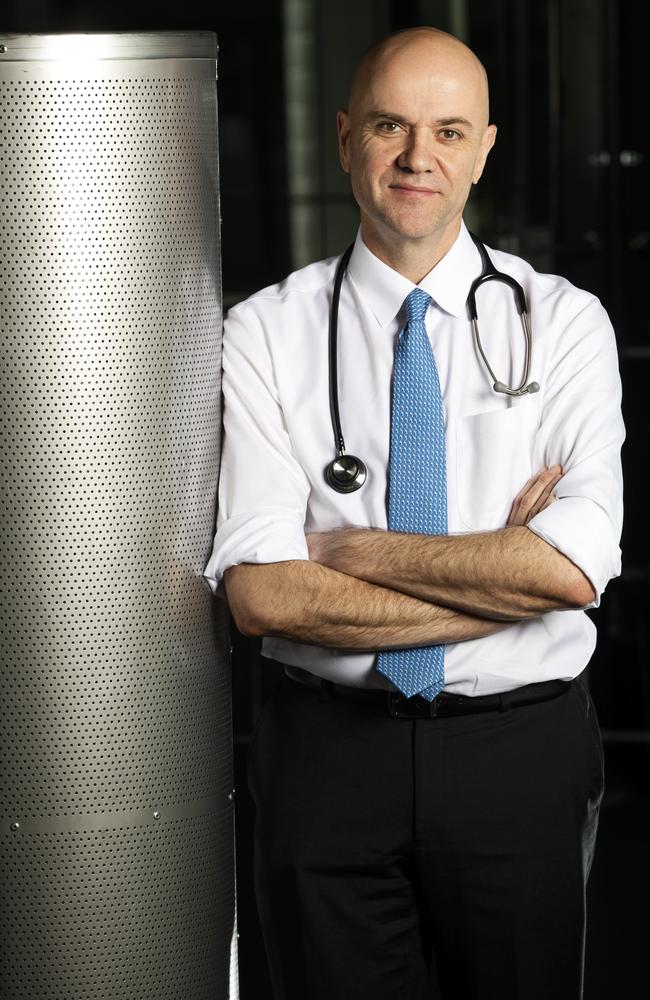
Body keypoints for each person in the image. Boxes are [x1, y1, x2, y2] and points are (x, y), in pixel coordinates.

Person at [205, 25, 624, 1000]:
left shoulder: (557, 322)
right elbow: (263, 594)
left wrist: (349, 551)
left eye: (446, 130)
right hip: (324, 760)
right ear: (346, 136)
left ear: (483, 148)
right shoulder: (263, 332)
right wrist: (502, 576)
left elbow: (572, 566)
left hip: (514, 755)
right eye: (389, 125)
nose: (414, 157)